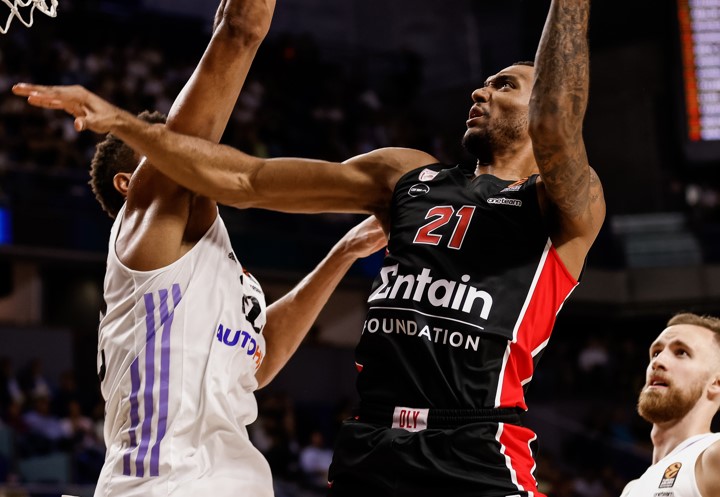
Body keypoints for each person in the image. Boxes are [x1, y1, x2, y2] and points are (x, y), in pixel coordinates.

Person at [13, 0, 604, 494]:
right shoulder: (406, 174)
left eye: (504, 84)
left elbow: (556, 123)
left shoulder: (562, 204)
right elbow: (246, 179)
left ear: (540, 105)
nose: (479, 89)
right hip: (372, 444)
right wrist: (127, 124)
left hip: (475, 442)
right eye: (485, 80)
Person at [13, 1, 387, 496]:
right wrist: (235, 28)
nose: (198, 154)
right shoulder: (149, 227)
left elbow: (261, 357)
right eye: (168, 152)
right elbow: (237, 34)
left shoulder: (216, 266)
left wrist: (344, 250)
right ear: (131, 184)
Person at [620, 313, 720, 497]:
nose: (657, 362)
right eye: (656, 353)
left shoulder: (714, 455)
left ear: (716, 383)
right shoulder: (631, 489)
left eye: (681, 352)